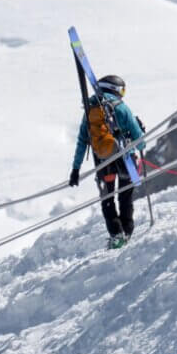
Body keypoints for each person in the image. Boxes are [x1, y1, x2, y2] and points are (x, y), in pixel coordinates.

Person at [68, 75, 145, 248]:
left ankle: (116, 235)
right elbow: (138, 136)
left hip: (103, 162)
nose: (123, 95)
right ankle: (127, 231)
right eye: (122, 90)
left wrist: (75, 169)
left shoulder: (90, 111)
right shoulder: (121, 107)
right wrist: (141, 142)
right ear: (115, 89)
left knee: (107, 199)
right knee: (125, 196)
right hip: (126, 158)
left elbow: (82, 140)